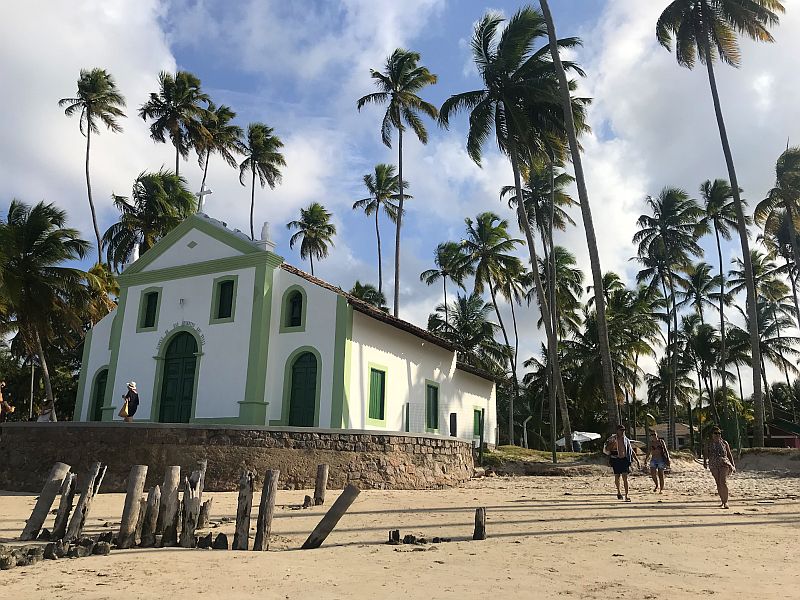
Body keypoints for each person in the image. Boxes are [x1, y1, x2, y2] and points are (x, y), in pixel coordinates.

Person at [605, 425, 640, 501]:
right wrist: (612, 444)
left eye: (623, 430)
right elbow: (607, 450)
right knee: (617, 477)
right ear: (617, 430)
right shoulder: (612, 439)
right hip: (615, 459)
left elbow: (631, 450)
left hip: (624, 459)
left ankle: (627, 495)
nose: (623, 431)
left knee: (625, 477)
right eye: (621, 430)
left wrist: (637, 460)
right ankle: (618, 492)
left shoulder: (626, 439)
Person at [704, 426, 736, 509]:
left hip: (724, 462)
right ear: (712, 434)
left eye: (719, 433)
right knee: (718, 482)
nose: (718, 435)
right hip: (713, 463)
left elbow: (729, 454)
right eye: (716, 433)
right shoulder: (708, 443)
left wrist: (733, 464)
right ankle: (722, 501)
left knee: (723, 481)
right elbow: (705, 453)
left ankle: (726, 502)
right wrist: (705, 462)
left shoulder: (724, 443)